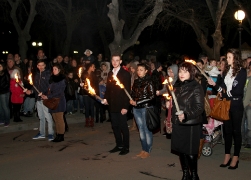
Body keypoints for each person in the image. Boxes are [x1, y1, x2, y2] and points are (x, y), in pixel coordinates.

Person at [208, 48, 247, 170]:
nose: (227, 59)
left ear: (235, 58)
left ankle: (236, 157)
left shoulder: (242, 72)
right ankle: (227, 155)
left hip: (236, 105)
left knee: (236, 132)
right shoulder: (227, 71)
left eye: (229, 57)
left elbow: (237, 91)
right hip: (226, 105)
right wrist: (215, 85)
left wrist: (220, 90)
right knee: (227, 131)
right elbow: (223, 87)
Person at [166, 62, 204, 179]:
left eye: (185, 71)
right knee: (181, 150)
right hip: (178, 123)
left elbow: (199, 108)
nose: (182, 74)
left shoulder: (196, 87)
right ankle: (185, 173)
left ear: (191, 73)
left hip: (190, 124)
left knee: (191, 152)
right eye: (181, 71)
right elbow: (175, 102)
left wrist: (186, 115)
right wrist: (169, 103)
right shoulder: (176, 86)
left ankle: (194, 175)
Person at [103, 53, 131, 155]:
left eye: (117, 60)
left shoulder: (125, 74)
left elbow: (127, 91)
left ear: (120, 61)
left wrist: (125, 107)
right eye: (113, 60)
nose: (115, 62)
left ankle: (126, 147)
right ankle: (119, 145)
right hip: (112, 104)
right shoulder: (110, 73)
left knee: (123, 126)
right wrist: (106, 98)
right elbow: (108, 88)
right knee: (115, 126)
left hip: (121, 104)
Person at [130, 63, 155, 158]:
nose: (139, 72)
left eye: (141, 70)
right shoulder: (136, 81)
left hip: (146, 107)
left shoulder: (149, 81)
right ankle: (143, 148)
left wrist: (138, 102)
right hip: (136, 109)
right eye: (138, 70)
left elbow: (152, 96)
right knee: (140, 129)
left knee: (146, 129)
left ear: (146, 71)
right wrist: (132, 100)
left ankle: (147, 150)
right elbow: (133, 93)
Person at [26, 59, 54, 141]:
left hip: (45, 99)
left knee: (48, 117)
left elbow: (50, 87)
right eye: (39, 65)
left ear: (45, 65)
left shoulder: (48, 74)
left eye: (42, 65)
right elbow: (35, 87)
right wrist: (30, 91)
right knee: (41, 117)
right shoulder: (37, 75)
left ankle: (51, 133)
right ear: (37, 66)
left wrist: (45, 94)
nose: (40, 67)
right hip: (38, 99)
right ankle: (42, 133)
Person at [41, 63, 66, 142]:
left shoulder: (62, 79)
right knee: (55, 118)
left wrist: (48, 96)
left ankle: (61, 135)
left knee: (59, 118)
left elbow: (59, 92)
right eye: (53, 69)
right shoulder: (52, 79)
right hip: (52, 101)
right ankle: (57, 134)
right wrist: (43, 94)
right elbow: (48, 89)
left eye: (55, 69)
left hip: (59, 101)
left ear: (59, 70)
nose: (54, 71)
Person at [7, 58, 25, 122]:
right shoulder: (12, 81)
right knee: (15, 108)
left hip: (20, 97)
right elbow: (12, 89)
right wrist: (19, 94)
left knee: (18, 108)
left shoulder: (20, 81)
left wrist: (23, 93)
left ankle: (18, 117)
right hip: (15, 97)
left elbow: (22, 88)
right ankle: (16, 118)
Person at [242, 61, 251, 149]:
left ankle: (249, 141)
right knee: (240, 123)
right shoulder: (244, 74)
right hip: (241, 102)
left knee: (249, 124)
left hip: (249, 104)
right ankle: (241, 140)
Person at [0, 62, 10, 127]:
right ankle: (2, 119)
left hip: (4, 92)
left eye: (0, 66)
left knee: (5, 106)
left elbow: (7, 83)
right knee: (0, 107)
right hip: (0, 92)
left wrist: (1, 87)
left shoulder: (6, 73)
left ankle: (7, 121)